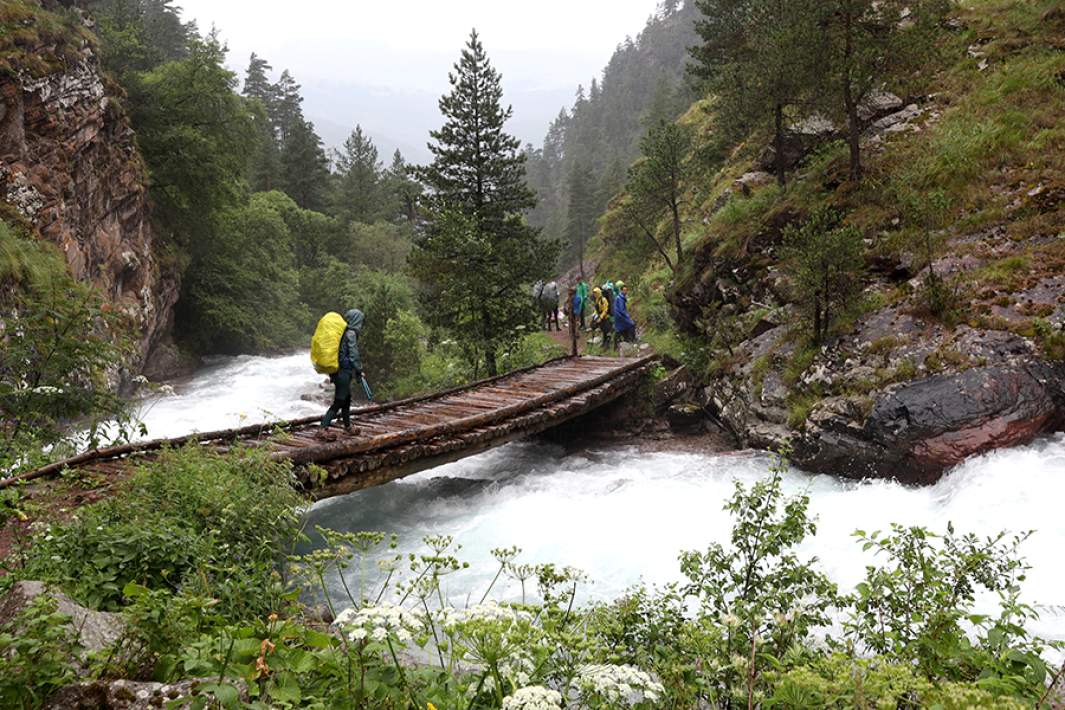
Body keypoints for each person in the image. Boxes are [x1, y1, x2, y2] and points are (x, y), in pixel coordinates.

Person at [320, 308, 364, 437]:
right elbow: (354, 355)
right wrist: (359, 370)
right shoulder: (351, 334)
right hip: (343, 372)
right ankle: (323, 428)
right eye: (360, 320)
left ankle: (348, 426)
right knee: (340, 400)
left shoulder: (343, 333)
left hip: (339, 371)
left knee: (347, 398)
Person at [613, 281, 636, 353]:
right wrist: (627, 317)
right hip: (620, 317)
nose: (625, 291)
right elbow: (622, 310)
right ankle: (631, 340)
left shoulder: (619, 297)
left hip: (618, 317)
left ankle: (625, 342)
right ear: (621, 290)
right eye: (624, 290)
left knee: (621, 330)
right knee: (631, 325)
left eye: (626, 290)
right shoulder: (620, 299)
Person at [594, 286, 612, 351]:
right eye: (594, 293)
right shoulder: (597, 300)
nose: (594, 294)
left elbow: (605, 309)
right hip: (600, 318)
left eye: (595, 293)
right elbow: (597, 308)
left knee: (607, 331)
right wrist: (595, 315)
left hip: (605, 317)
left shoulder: (603, 299)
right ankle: (604, 343)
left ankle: (608, 344)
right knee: (603, 330)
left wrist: (601, 317)